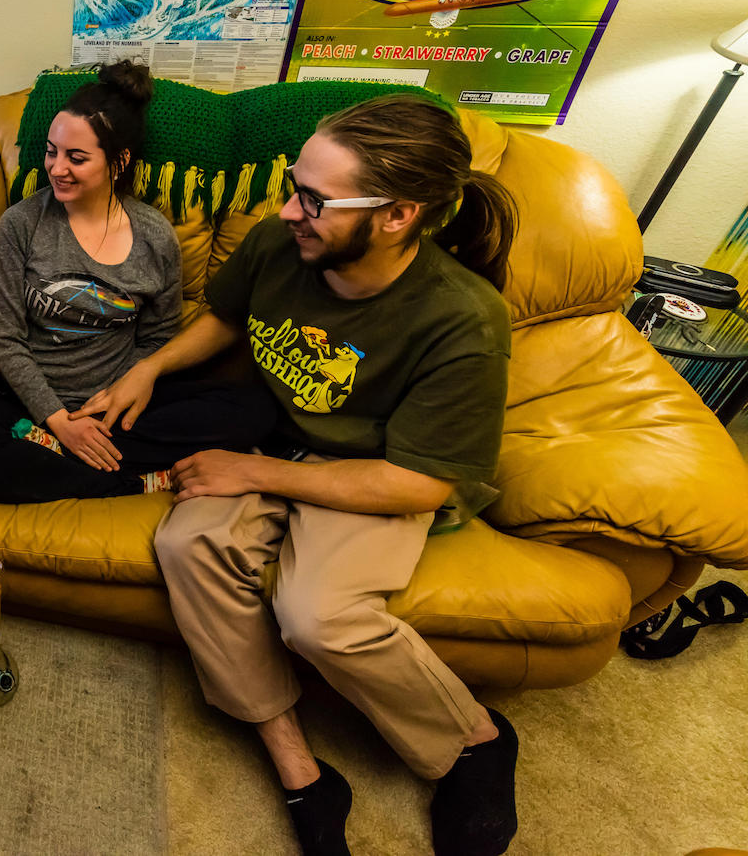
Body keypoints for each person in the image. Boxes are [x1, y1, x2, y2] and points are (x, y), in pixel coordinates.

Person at [76, 92, 520, 856]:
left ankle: (473, 740)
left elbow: (418, 484)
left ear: (396, 215)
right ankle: (300, 766)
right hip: (272, 434)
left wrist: (252, 473)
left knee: (315, 615)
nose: (288, 210)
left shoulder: (464, 322)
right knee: (186, 546)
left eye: (313, 198)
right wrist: (151, 367)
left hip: (375, 471)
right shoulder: (284, 244)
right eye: (293, 185)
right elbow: (227, 316)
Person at [0, 60, 275, 504]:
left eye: (76, 157)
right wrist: (58, 420)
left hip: (120, 404)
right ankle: (132, 479)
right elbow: (5, 337)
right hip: (34, 403)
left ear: (118, 162)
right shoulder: (21, 225)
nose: (57, 168)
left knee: (256, 412)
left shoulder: (155, 237)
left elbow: (157, 337)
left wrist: (123, 395)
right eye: (52, 151)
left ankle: (73, 457)